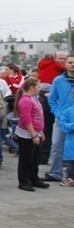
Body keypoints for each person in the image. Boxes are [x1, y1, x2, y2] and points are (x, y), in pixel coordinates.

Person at [14, 78, 48, 192]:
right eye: (38, 86)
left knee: (35, 157)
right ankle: (23, 181)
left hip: (36, 131)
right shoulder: (25, 101)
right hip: (26, 134)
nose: (39, 89)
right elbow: (26, 119)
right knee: (26, 158)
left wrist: (41, 132)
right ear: (32, 88)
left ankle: (34, 177)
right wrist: (33, 134)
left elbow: (38, 116)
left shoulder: (33, 99)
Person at [44, 55, 74, 183]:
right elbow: (52, 100)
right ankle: (56, 172)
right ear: (66, 65)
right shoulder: (58, 80)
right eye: (70, 62)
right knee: (56, 145)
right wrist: (57, 113)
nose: (73, 64)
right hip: (61, 118)